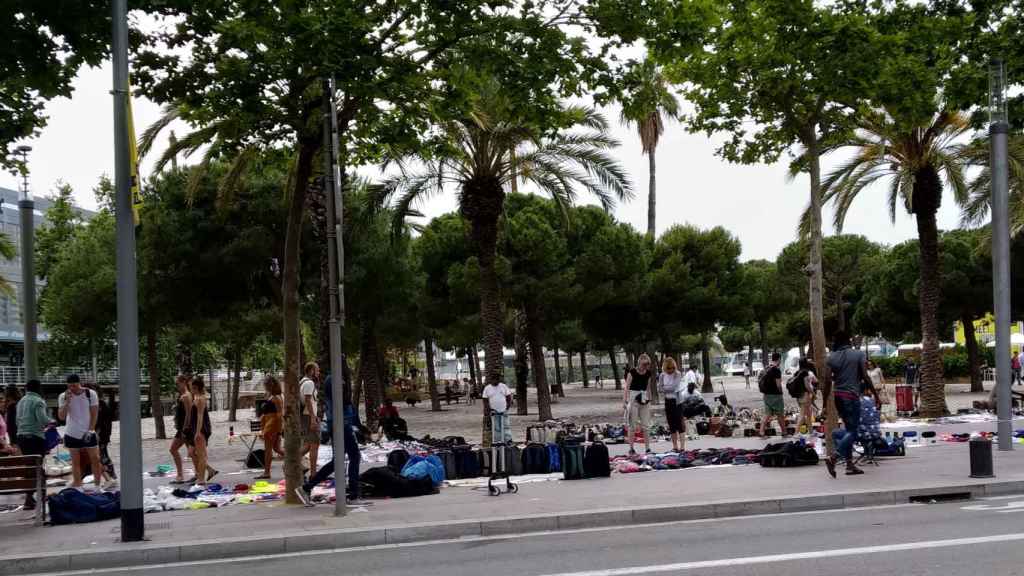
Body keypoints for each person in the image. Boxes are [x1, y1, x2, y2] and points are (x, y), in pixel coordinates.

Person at [296, 369, 366, 506]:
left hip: (339, 422)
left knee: (338, 461)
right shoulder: (334, 380)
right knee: (354, 456)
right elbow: (342, 400)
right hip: (341, 423)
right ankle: (353, 494)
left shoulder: (332, 379)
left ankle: (307, 487)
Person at [826, 331, 867, 478]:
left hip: (838, 397)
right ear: (848, 341)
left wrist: (825, 402)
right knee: (853, 432)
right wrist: (875, 394)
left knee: (848, 430)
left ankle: (849, 465)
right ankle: (834, 457)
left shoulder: (831, 357)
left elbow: (827, 382)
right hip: (851, 397)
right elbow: (864, 375)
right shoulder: (858, 354)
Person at [58, 375, 108, 490]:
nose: (72, 388)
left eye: (74, 385)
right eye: (70, 386)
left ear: (79, 383)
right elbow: (61, 417)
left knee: (95, 459)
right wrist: (67, 402)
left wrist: (91, 429)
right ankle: (78, 486)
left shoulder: (90, 394)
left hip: (88, 432)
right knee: (76, 462)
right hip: (71, 432)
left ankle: (97, 486)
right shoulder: (63, 396)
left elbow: (94, 414)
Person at [15, 380, 49, 509]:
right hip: (34, 438)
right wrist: (52, 421)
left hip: (21, 438)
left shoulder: (21, 401)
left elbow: (17, 421)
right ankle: (40, 495)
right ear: (38, 389)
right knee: (38, 466)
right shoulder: (38, 401)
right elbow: (43, 420)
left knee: (29, 466)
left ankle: (29, 498)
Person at [187, 376, 216, 486]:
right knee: (191, 452)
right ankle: (209, 470)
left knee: (201, 454)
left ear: (196, 387)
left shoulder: (200, 399)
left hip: (201, 428)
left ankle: (201, 479)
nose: (190, 389)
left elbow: (200, 416)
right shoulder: (196, 397)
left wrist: (198, 432)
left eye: (191, 387)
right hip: (195, 427)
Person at [623, 353, 654, 456]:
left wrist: (650, 399)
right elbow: (627, 387)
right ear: (639, 362)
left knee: (646, 425)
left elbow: (648, 387)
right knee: (632, 425)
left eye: (647, 364)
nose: (645, 366)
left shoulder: (648, 373)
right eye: (644, 364)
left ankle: (648, 448)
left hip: (644, 397)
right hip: (633, 398)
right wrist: (625, 401)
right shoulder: (632, 372)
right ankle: (631, 448)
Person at [85, 383, 116, 483]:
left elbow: (101, 421)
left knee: (101, 456)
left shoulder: (100, 405)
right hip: (100, 434)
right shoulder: (99, 403)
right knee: (99, 456)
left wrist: (96, 432)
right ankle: (109, 476)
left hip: (100, 434)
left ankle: (110, 476)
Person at [256, 375, 284, 480]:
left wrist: (279, 429)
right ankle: (298, 463)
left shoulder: (276, 398)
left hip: (272, 425)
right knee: (277, 448)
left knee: (268, 449)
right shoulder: (272, 396)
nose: (265, 387)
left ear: (270, 385)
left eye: (265, 385)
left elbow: (279, 414)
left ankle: (266, 472)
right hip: (270, 424)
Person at [169, 375, 193, 484]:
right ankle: (203, 471)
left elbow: (189, 414)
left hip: (184, 428)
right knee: (192, 452)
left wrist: (185, 429)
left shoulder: (186, 396)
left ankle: (180, 476)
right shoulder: (183, 396)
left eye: (178, 384)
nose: (177, 386)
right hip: (182, 427)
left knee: (173, 449)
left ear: (184, 382)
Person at [299, 362, 321, 476]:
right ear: (311, 370)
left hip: (307, 416)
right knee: (314, 444)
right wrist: (313, 418)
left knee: (308, 445)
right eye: (317, 370)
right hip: (309, 416)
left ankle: (292, 463)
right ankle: (313, 473)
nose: (318, 372)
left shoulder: (303, 382)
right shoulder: (309, 383)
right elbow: (308, 400)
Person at [658, 357, 684, 451]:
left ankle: (682, 446)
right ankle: (675, 446)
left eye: (672, 368)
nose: (671, 370)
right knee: (671, 424)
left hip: (677, 402)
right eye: (668, 368)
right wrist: (666, 388)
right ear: (665, 367)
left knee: (679, 424)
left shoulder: (677, 374)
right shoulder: (662, 375)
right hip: (668, 401)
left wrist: (665, 388)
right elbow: (660, 389)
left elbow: (675, 387)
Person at [759, 353, 787, 437]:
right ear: (779, 359)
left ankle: (761, 432)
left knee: (767, 414)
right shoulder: (776, 370)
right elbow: (778, 385)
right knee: (780, 415)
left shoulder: (767, 368)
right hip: (776, 395)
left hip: (766, 395)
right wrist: (781, 393)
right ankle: (784, 432)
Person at [482, 380, 512, 445]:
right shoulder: (487, 388)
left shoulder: (503, 386)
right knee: (496, 427)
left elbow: (509, 397)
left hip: (504, 411)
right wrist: (489, 409)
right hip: (494, 412)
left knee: (506, 425)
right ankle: (498, 441)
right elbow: (485, 400)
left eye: (496, 378)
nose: (495, 380)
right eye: (493, 378)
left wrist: (507, 407)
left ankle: (508, 440)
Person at [792, 358, 818, 434]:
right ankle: (796, 433)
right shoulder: (807, 373)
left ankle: (811, 432)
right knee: (802, 414)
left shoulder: (797, 372)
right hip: (805, 396)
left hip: (798, 396)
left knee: (808, 414)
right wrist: (814, 394)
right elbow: (812, 383)